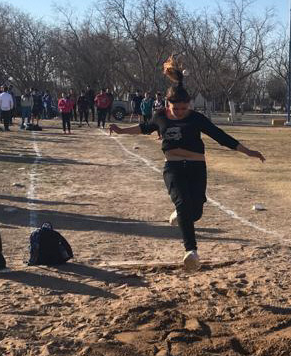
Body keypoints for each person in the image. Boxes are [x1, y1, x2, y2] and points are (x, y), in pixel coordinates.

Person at [110, 56, 266, 271]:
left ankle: (180, 216)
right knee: (183, 203)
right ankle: (191, 252)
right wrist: (121, 130)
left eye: (184, 108)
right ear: (168, 104)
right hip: (173, 168)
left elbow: (220, 136)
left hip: (196, 168)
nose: (181, 112)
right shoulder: (160, 116)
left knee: (196, 213)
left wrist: (247, 151)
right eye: (177, 109)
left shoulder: (196, 118)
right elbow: (144, 128)